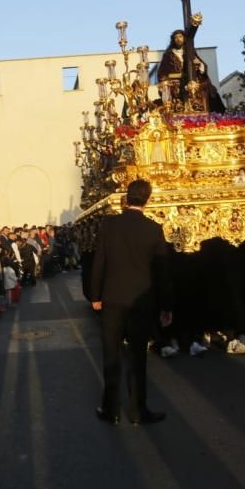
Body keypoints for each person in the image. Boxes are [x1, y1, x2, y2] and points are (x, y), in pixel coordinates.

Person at [89, 179, 174, 425]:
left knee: (111, 354)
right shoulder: (153, 229)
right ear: (147, 200)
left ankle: (110, 409)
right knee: (138, 356)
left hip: (112, 298)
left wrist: (95, 296)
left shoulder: (110, 225)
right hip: (141, 301)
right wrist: (166, 306)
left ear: (126, 198)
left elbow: (99, 263)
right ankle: (138, 410)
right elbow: (162, 272)